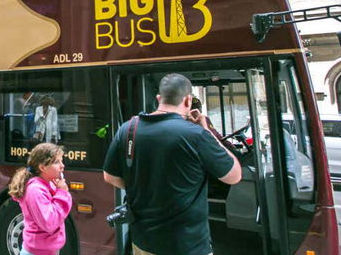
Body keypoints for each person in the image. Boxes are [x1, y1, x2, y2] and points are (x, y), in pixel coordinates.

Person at [102, 73, 241, 255]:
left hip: (144, 242)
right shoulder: (197, 135)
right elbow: (234, 176)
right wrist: (207, 131)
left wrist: (144, 187)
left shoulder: (127, 129)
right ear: (188, 101)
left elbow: (109, 176)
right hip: (187, 245)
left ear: (158, 99)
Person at [8, 143, 72, 255]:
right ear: (42, 167)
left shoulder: (47, 185)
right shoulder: (35, 190)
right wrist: (62, 193)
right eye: (57, 162)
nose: (62, 166)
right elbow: (49, 222)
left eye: (61, 161)